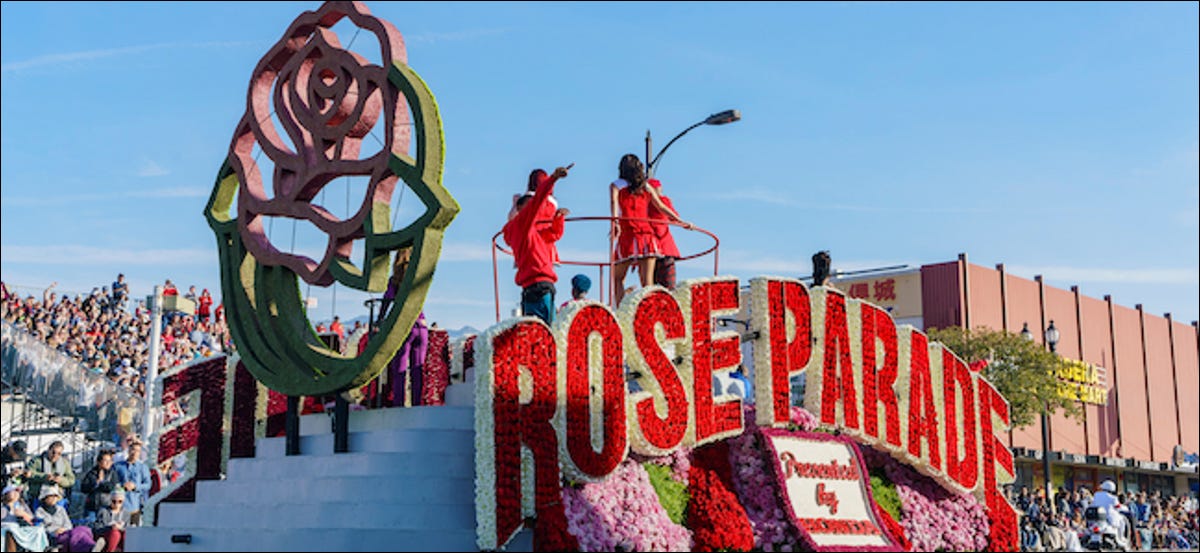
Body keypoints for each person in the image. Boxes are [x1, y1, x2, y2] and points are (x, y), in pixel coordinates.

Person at [610, 154, 691, 307]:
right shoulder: (645, 186)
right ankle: (648, 312)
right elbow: (661, 206)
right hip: (646, 237)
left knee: (617, 277)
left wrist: (615, 222)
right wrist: (680, 221)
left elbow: (614, 202)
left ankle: (620, 309)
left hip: (627, 234)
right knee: (647, 282)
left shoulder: (616, 185)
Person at [502, 164, 572, 325]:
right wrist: (553, 178)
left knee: (532, 332)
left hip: (529, 285)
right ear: (521, 209)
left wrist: (559, 218)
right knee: (547, 332)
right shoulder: (523, 224)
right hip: (541, 282)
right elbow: (538, 200)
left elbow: (552, 234)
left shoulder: (521, 232)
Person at [36, 485, 96, 552]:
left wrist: (63, 529)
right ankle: (90, 548)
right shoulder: (40, 511)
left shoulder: (61, 509)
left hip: (65, 531)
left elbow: (68, 524)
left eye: (55, 496)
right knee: (76, 535)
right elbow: (40, 529)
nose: (54, 498)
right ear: (45, 498)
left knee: (83, 529)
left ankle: (92, 546)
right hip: (54, 537)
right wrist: (53, 531)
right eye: (51, 496)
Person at [646, 178, 681, 289]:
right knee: (668, 287)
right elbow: (674, 217)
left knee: (650, 285)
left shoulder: (643, 203)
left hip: (648, 247)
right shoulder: (663, 201)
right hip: (665, 246)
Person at [26, 441, 76, 510]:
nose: (55, 455)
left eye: (59, 454)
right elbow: (29, 473)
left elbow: (71, 480)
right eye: (53, 452)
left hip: (57, 499)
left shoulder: (65, 463)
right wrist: (44, 477)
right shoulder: (36, 461)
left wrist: (61, 480)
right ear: (48, 450)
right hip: (38, 497)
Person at [2, 483, 49, 553]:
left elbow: (33, 520)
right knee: (10, 531)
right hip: (5, 528)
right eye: (13, 491)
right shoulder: (2, 506)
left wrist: (25, 514)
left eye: (18, 492)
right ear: (6, 494)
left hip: (20, 528)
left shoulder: (22, 505)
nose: (16, 493)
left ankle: (41, 549)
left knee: (39, 530)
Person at [113, 441, 150, 527]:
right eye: (133, 449)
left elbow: (148, 485)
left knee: (132, 532)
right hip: (119, 507)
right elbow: (112, 482)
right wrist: (122, 486)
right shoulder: (118, 466)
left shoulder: (143, 468)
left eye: (137, 451)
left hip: (134, 506)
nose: (134, 452)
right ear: (129, 450)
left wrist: (135, 486)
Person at [80, 450, 119, 522]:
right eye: (105, 460)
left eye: (110, 461)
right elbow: (83, 488)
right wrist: (95, 483)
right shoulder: (91, 473)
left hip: (106, 507)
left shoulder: (113, 474)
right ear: (99, 462)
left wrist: (101, 482)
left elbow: (111, 488)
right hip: (92, 507)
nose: (108, 463)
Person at [1090, 479, 1130, 546]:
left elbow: (1093, 504)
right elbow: (1118, 507)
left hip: (1097, 517)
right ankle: (1121, 537)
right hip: (1109, 518)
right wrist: (1124, 507)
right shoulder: (1113, 498)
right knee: (1122, 521)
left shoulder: (1096, 495)